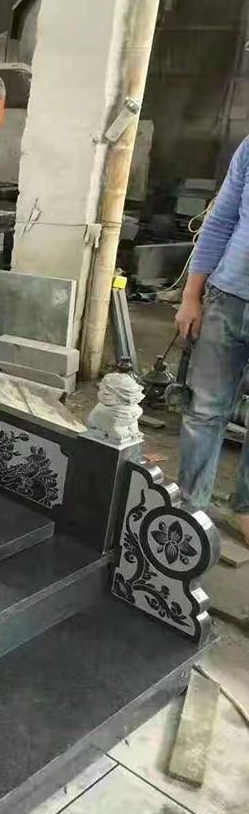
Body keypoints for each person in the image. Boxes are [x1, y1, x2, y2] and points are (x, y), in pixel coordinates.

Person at [177, 134, 249, 539]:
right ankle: (192, 506)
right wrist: (191, 295)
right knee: (204, 409)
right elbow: (220, 221)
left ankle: (245, 510)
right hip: (227, 298)